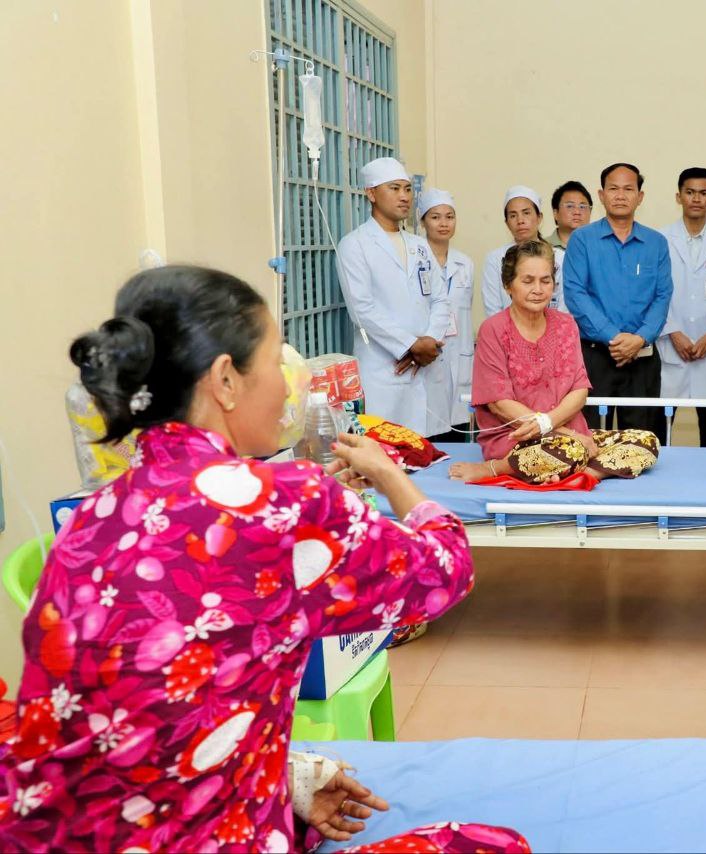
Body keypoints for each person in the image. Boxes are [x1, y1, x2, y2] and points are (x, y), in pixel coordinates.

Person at [0, 266, 527, 852]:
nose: (288, 385)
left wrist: (284, 775)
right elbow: (446, 569)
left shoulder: (89, 518)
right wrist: (389, 475)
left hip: (51, 833)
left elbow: (148, 711)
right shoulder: (284, 505)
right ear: (226, 380)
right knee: (493, 842)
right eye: (277, 362)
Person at [450, 240, 660, 484]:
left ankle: (583, 474)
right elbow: (499, 404)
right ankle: (496, 468)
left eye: (545, 280)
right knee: (571, 452)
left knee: (647, 441)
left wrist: (563, 430)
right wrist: (555, 429)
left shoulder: (566, 324)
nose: (538, 289)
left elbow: (579, 390)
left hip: (573, 436)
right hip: (517, 440)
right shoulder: (493, 330)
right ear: (508, 285)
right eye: (528, 281)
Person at [337, 157, 453, 439]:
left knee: (429, 450)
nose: (404, 196)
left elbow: (441, 300)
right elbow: (362, 309)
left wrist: (428, 343)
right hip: (384, 369)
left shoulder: (419, 245)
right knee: (385, 449)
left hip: (426, 364)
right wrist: (410, 346)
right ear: (371, 193)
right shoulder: (354, 245)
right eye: (395, 188)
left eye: (407, 189)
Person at [563, 162, 673, 436]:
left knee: (639, 441)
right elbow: (575, 293)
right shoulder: (582, 240)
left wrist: (639, 338)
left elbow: (662, 296)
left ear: (640, 196)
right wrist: (614, 338)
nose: (621, 195)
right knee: (589, 438)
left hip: (642, 357)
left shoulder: (656, 243)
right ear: (601, 195)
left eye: (628, 189)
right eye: (613, 189)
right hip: (594, 357)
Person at [658, 167, 706, 447]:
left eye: (703, 193)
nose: (696, 199)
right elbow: (654, 293)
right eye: (690, 192)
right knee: (662, 425)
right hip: (670, 343)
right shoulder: (660, 239)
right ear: (678, 196)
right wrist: (672, 331)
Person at [417, 187, 476, 443]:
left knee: (458, 427)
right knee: (428, 429)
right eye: (435, 217)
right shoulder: (415, 261)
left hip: (459, 354)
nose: (443, 223)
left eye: (449, 217)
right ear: (422, 221)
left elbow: (465, 310)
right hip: (427, 353)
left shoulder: (465, 264)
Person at [481, 186, 565, 317]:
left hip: (553, 327)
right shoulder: (495, 259)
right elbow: (493, 310)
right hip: (506, 328)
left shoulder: (560, 257)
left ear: (539, 217)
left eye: (526, 213)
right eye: (513, 215)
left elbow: (563, 307)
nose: (520, 221)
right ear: (507, 223)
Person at [547, 180, 593, 250]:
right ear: (555, 213)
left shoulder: (601, 246)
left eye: (582, 207)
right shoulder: (541, 248)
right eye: (570, 206)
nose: (577, 212)